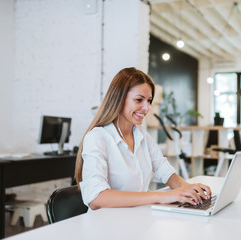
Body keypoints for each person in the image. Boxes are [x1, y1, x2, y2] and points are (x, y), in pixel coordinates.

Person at [75, 67, 211, 210]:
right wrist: (161, 197)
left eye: (149, 100)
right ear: (119, 98)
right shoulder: (97, 138)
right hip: (106, 224)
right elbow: (96, 198)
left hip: (137, 219)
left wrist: (187, 188)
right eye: (139, 100)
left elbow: (165, 171)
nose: (146, 108)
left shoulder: (142, 136)